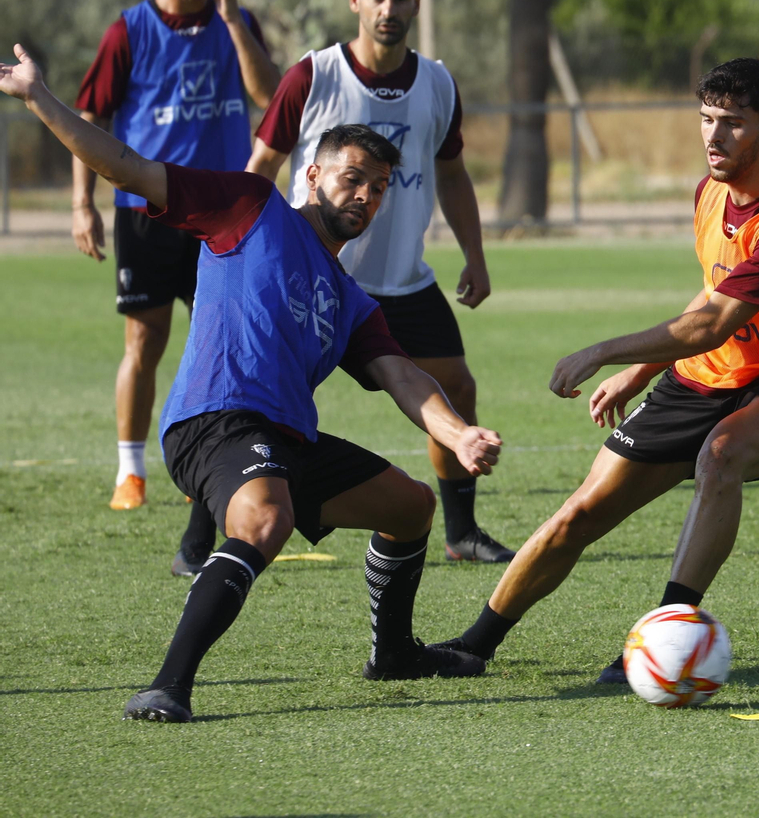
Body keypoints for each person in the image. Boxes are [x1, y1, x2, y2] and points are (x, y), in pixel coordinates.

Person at [1, 47, 501, 722]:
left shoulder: (349, 296)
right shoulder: (249, 204)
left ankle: (394, 655)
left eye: (380, 187)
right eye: (354, 178)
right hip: (215, 421)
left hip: (288, 439)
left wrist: (458, 432)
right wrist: (39, 97)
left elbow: (402, 375)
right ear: (313, 174)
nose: (366, 195)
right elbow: (128, 166)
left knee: (411, 507)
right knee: (266, 518)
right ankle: (167, 685)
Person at [441, 59, 759, 685]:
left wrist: (604, 351)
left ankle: (667, 634)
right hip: (704, 375)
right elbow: (709, 299)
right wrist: (638, 375)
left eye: (733, 124)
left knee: (722, 453)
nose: (714, 137)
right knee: (581, 512)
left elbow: (714, 321)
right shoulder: (709, 193)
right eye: (707, 120)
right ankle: (474, 645)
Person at [169, 0, 510, 574]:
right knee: (249, 398)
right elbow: (260, 167)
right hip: (315, 278)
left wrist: (476, 253)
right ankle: (198, 536)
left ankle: (460, 530)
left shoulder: (437, 82)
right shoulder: (314, 75)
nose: (389, 8)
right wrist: (242, 255)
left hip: (403, 283)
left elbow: (455, 175)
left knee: (456, 386)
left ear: (416, 1)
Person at [74, 0, 280, 512]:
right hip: (145, 211)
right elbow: (91, 117)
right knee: (144, 341)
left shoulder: (235, 20)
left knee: (223, 344)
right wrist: (83, 204)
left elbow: (270, 97)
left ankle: (209, 470)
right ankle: (130, 472)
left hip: (219, 212)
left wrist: (235, 21)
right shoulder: (128, 30)